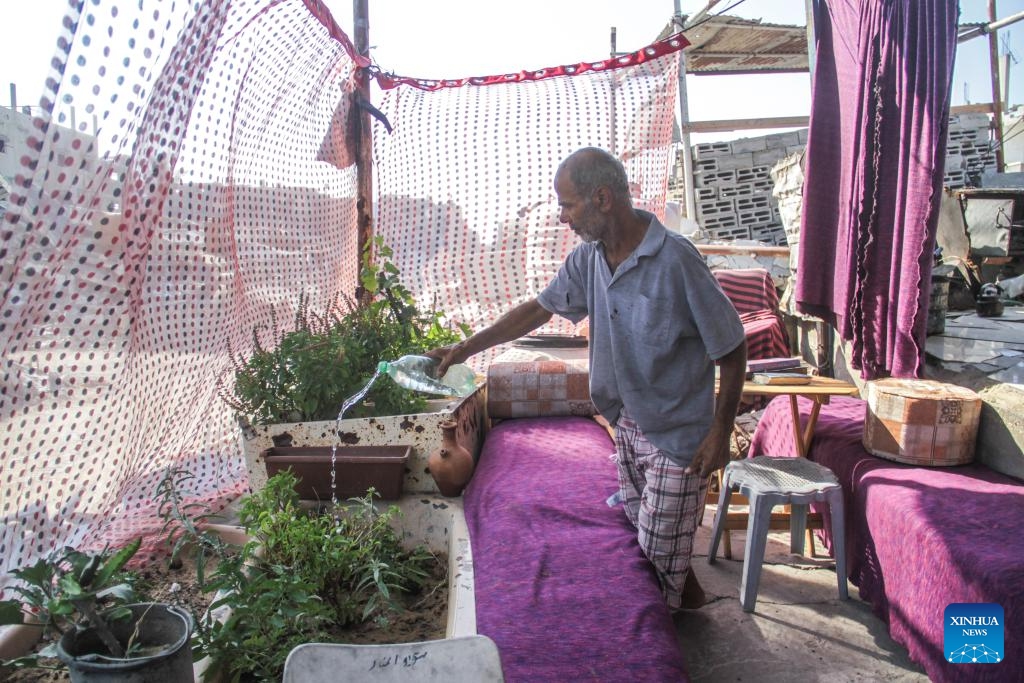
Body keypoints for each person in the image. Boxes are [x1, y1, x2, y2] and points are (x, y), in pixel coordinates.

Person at [429, 147, 747, 611]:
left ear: (602, 198)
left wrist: (720, 431)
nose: (563, 218)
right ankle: (696, 610)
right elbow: (539, 309)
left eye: (568, 204)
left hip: (679, 438)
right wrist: (464, 350)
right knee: (647, 546)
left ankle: (653, 652)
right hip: (628, 424)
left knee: (651, 572)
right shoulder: (590, 259)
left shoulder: (676, 260)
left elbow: (732, 347)